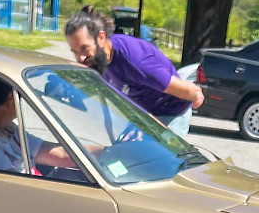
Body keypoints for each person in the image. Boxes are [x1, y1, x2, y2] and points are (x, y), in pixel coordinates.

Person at [64, 10, 203, 135]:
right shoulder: (98, 60)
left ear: (101, 37)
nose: (81, 58)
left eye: (85, 48)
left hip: (171, 112)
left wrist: (195, 94)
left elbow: (187, 91)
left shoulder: (135, 60)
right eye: (75, 52)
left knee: (162, 154)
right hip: (143, 114)